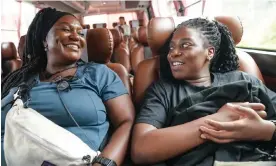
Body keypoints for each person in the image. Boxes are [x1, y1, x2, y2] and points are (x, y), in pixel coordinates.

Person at [131, 18, 276, 165]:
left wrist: (266, 130)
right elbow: (141, 149)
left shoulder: (244, 80)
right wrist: (218, 120)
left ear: (210, 52)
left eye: (185, 45)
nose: (173, 53)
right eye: (171, 48)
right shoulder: (162, 91)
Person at [1, 8, 135, 166]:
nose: (75, 37)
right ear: (45, 40)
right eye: (66, 29)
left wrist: (104, 163)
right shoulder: (20, 81)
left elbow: (126, 122)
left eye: (80, 33)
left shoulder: (99, 74)